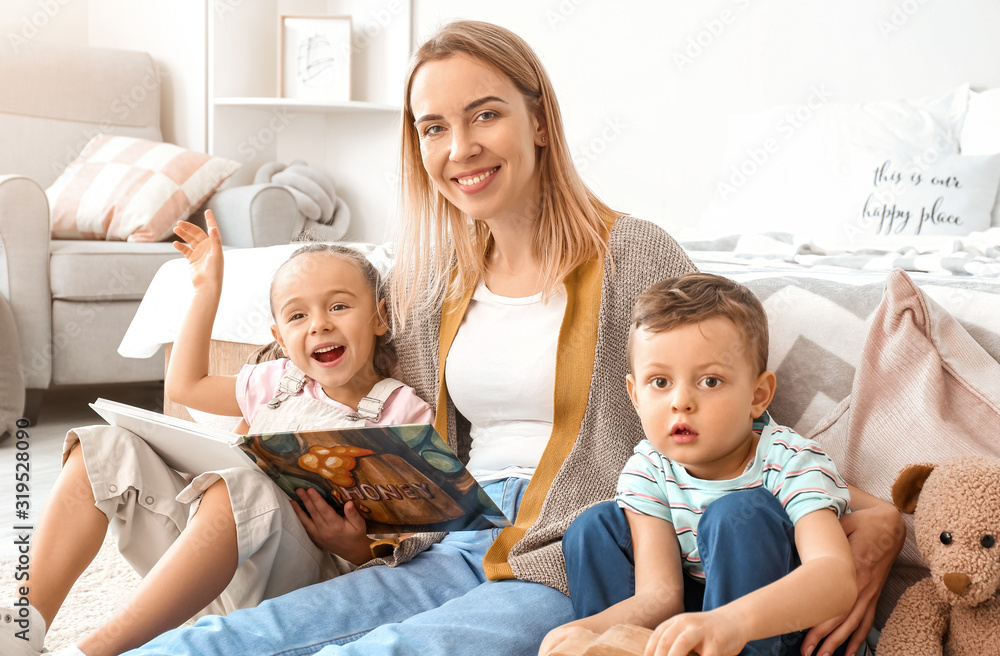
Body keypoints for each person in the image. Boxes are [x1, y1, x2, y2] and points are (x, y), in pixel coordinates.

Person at [123, 19, 899, 656]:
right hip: (454, 540)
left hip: (568, 557)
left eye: (484, 114)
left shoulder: (636, 254)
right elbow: (327, 369)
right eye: (435, 127)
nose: (459, 149)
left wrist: (875, 512)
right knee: (225, 641)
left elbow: (722, 397)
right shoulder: (431, 278)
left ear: (537, 118)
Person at [0, 211, 433, 656]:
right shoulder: (275, 380)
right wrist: (207, 290)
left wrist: (356, 545)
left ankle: (95, 650)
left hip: (303, 589)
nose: (319, 324)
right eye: (297, 315)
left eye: (339, 306)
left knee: (241, 485)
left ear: (380, 317)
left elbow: (417, 545)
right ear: (279, 339)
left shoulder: (405, 411)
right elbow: (184, 386)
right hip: (208, 579)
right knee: (103, 446)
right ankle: (20, 630)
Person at [541, 273, 858, 656]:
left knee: (737, 513)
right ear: (635, 395)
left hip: (779, 630)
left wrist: (732, 622)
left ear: (758, 396)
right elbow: (661, 595)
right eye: (660, 382)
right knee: (595, 526)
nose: (681, 402)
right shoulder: (649, 469)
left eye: (710, 381)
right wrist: (584, 631)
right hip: (699, 624)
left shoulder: (790, 462)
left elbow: (836, 579)